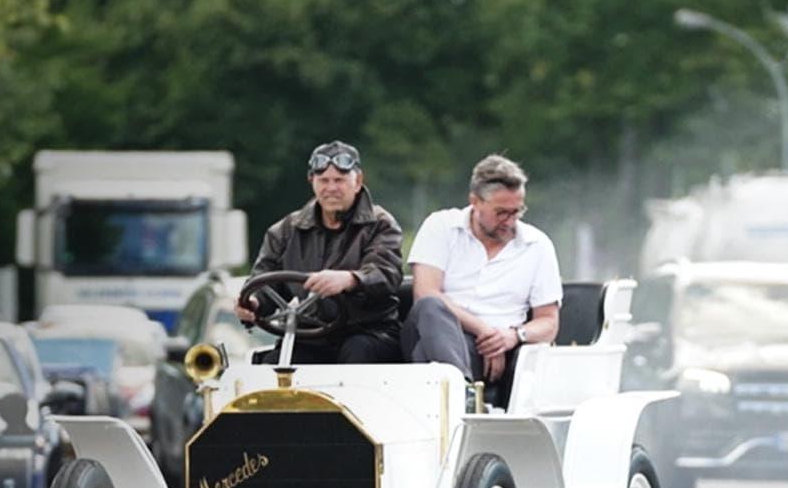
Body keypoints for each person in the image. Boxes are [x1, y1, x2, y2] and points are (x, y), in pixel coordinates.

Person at [402, 153, 562, 404]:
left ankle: (458, 398)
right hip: (443, 329)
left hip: (498, 348)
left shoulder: (537, 245)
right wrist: (485, 330)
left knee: (427, 356)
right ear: (475, 201)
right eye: (501, 213)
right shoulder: (441, 226)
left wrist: (510, 336)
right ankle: (463, 395)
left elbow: (548, 323)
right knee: (431, 308)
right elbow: (425, 293)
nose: (510, 221)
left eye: (517, 211)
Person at [234, 140, 404, 364]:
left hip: (369, 332)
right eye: (324, 180)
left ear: (358, 182)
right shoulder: (285, 230)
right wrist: (254, 303)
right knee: (274, 367)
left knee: (356, 353)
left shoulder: (380, 224)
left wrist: (351, 279)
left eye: (339, 180)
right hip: (310, 335)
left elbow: (386, 273)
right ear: (312, 182)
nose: (331, 188)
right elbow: (264, 282)